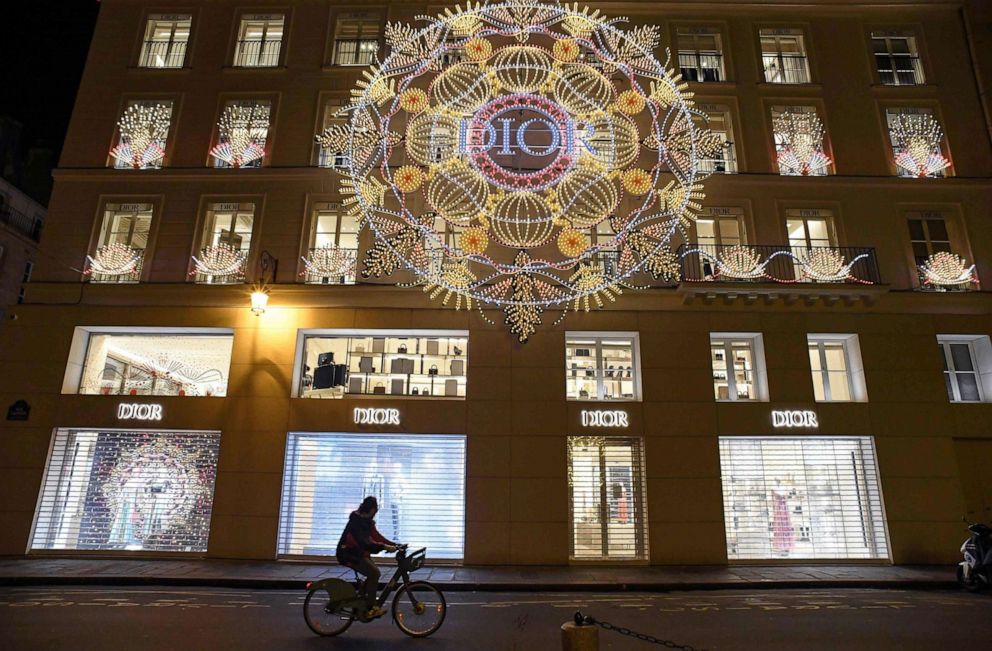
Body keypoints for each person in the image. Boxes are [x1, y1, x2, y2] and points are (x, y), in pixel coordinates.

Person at [336, 496, 399, 618]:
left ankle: (360, 602)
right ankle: (371, 608)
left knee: (373, 574)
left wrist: (394, 545)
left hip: (358, 554)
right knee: (374, 573)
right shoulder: (356, 522)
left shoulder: (367, 521)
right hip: (348, 555)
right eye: (374, 511)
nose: (375, 514)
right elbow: (365, 543)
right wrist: (384, 547)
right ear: (370, 509)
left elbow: (377, 536)